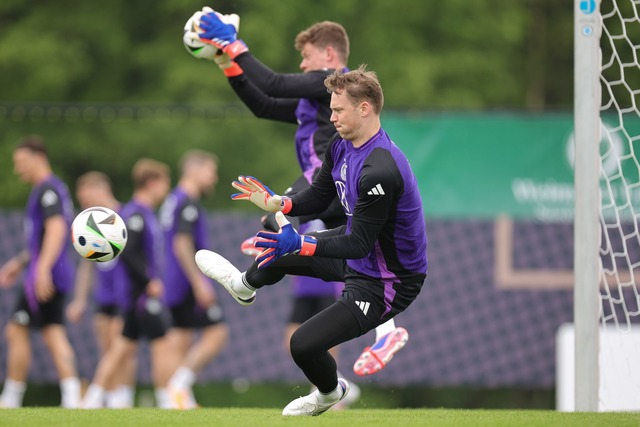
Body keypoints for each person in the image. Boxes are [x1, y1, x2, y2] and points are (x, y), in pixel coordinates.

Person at [195, 66, 427, 416]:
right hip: (363, 256)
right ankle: (243, 286)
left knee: (302, 345)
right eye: (331, 110)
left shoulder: (379, 170)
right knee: (276, 251)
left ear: (364, 109)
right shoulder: (342, 144)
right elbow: (319, 194)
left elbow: (358, 243)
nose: (331, 117)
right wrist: (280, 203)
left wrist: (303, 244)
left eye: (338, 110)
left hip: (387, 280)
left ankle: (330, 393)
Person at [190, 9, 408, 378]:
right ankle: (386, 331)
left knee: (279, 221)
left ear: (328, 55)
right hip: (330, 184)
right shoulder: (317, 98)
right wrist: (227, 63)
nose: (302, 64)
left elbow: (273, 82)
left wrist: (233, 44)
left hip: (331, 181)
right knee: (354, 258)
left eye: (306, 56)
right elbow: (263, 104)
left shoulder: (329, 82)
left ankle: (253, 274)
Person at [82, 159, 173, 409]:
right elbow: (130, 252)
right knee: (162, 342)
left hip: (135, 293)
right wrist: (149, 281)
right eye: (165, 183)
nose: (166, 189)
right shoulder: (135, 214)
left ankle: (95, 396)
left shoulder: (142, 213)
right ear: (152, 183)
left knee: (122, 347)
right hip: (139, 293)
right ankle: (168, 399)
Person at [0, 136, 81, 408]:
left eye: (21, 162)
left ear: (38, 157)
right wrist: (21, 263)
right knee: (31, 330)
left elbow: (57, 229)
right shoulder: (48, 189)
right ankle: (70, 396)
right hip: (45, 271)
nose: (18, 169)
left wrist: (43, 269)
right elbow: (42, 238)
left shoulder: (49, 189)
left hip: (47, 275)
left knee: (38, 331)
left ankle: (14, 398)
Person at [159, 150, 229, 410]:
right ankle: (179, 386)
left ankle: (176, 400)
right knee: (217, 333)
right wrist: (199, 281)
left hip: (173, 281)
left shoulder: (172, 200)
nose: (214, 178)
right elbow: (181, 242)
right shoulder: (187, 202)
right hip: (187, 281)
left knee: (179, 340)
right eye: (211, 171)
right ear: (195, 170)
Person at [66, 171, 137, 408]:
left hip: (125, 295)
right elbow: (86, 265)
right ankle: (111, 396)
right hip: (103, 295)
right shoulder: (88, 225)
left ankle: (123, 398)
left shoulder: (127, 216)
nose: (85, 205)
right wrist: (79, 299)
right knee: (107, 349)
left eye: (87, 200)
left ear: (100, 189)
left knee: (122, 350)